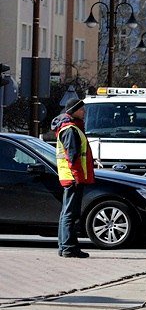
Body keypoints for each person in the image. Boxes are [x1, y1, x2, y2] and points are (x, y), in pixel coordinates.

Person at [51, 97, 95, 258]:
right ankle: (69, 247)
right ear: (74, 110)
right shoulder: (70, 129)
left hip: (70, 176)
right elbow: (73, 156)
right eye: (82, 109)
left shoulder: (70, 127)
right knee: (70, 213)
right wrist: (78, 176)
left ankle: (65, 247)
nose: (84, 112)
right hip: (73, 177)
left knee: (67, 212)